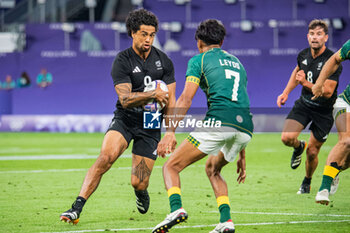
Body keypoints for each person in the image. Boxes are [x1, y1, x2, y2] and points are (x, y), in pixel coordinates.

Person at [60, 9, 176, 224]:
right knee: (106, 157)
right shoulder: (122, 60)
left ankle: (141, 192)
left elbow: (172, 101)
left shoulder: (164, 62)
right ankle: (76, 208)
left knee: (138, 182)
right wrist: (152, 94)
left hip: (150, 125)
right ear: (132, 33)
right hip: (125, 119)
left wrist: (170, 132)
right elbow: (125, 98)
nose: (148, 39)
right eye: (143, 34)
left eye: (152, 34)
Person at [153, 19, 253, 233]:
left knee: (171, 166)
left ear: (198, 42)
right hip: (245, 128)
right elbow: (241, 103)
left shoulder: (199, 60)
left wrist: (169, 132)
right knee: (213, 169)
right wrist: (242, 155)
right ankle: (226, 222)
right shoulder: (238, 63)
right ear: (222, 41)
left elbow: (185, 99)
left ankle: (176, 209)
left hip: (219, 122)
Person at [276, 19, 342, 194]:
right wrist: (286, 92)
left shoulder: (332, 60)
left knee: (313, 152)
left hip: (323, 111)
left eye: (319, 34)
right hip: (304, 105)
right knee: (286, 138)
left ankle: (307, 181)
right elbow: (296, 72)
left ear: (325, 37)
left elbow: (327, 92)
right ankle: (298, 146)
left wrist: (304, 82)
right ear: (307, 36)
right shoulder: (303, 55)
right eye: (312, 34)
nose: (315, 37)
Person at [312, 39, 350, 205]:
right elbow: (335, 59)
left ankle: (334, 171)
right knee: (347, 141)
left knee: (345, 160)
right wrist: (320, 83)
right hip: (346, 103)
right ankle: (323, 189)